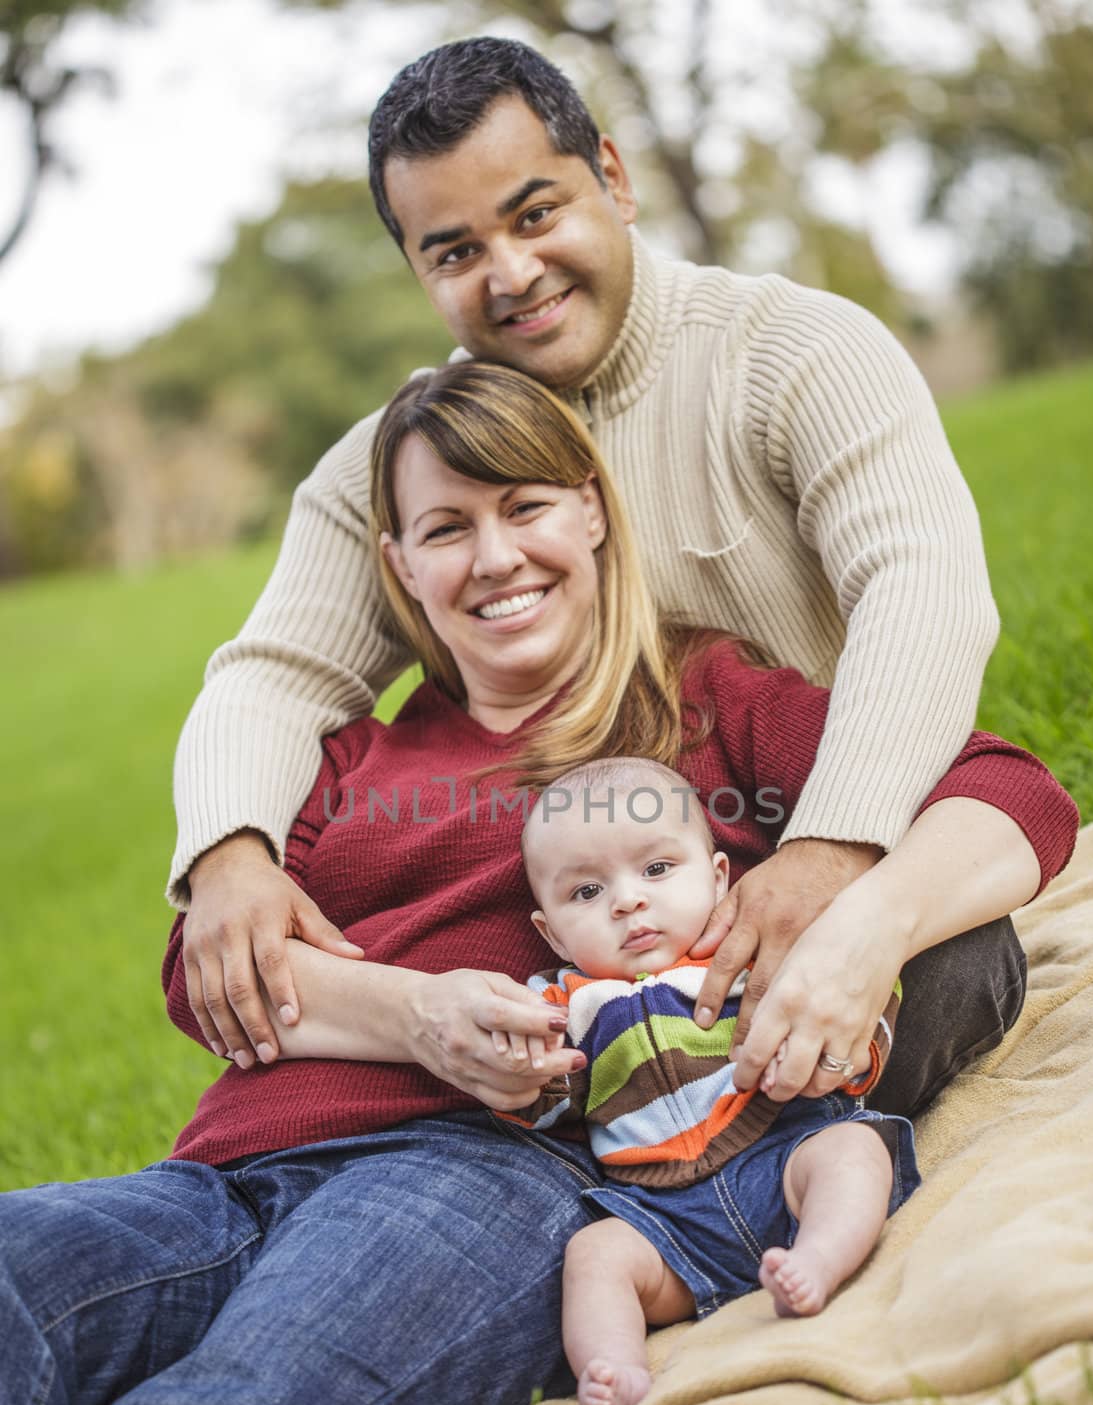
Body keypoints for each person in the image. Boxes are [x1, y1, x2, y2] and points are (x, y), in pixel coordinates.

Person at [0, 364, 1075, 1405]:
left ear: (591, 514)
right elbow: (210, 984)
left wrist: (858, 919)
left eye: (524, 507)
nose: (495, 556)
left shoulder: (695, 702)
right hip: (215, 1181)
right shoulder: (347, 756)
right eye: (446, 528)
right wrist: (419, 1011)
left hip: (474, 1176)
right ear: (400, 567)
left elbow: (1012, 796)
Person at [171, 37, 1015, 1118]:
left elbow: (921, 590)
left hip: (800, 814)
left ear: (611, 180)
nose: (511, 274)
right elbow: (276, 677)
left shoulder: (793, 353)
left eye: (534, 215)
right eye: (455, 250)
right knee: (536, 1038)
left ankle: (709, 1162)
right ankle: (613, 1159)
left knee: (946, 962)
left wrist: (830, 848)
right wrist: (229, 852)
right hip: (591, 914)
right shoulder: (396, 463)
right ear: (420, 272)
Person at [512, 755, 917, 1405]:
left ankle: (817, 1259)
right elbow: (538, 1102)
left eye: (657, 870)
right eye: (585, 893)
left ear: (718, 876)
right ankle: (614, 1369)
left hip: (782, 1153)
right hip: (665, 1218)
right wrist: (521, 1063)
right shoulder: (566, 1008)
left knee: (852, 1150)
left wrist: (844, 1043)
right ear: (551, 932)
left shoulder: (754, 958)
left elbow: (856, 1007)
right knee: (595, 1255)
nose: (627, 901)